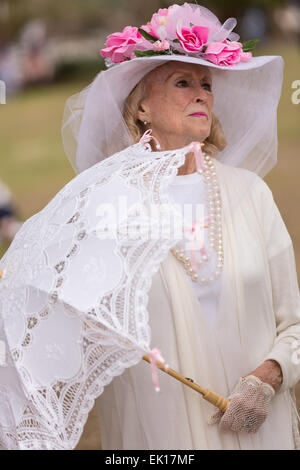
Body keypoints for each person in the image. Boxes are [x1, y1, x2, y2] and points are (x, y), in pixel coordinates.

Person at [0, 3, 299, 450]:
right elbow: (79, 336)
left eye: (206, 84)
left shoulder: (251, 195)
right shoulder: (106, 207)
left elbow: (293, 323)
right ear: (142, 108)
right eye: (182, 82)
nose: (201, 94)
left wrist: (269, 376)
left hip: (261, 431)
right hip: (157, 435)